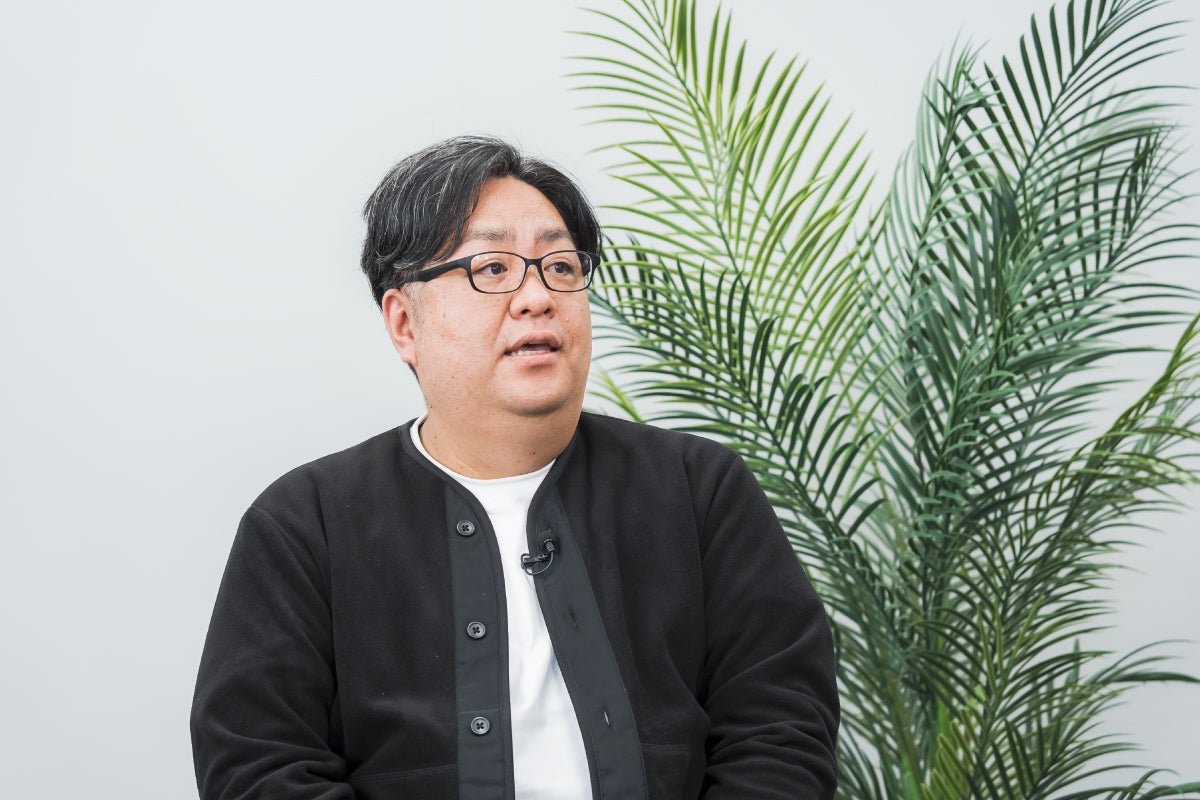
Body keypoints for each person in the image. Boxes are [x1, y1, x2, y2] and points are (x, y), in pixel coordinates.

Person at [190, 135, 839, 799]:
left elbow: (781, 733)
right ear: (404, 323)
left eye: (560, 266)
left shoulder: (698, 490)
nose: (537, 297)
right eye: (493, 268)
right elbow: (258, 768)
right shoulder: (307, 526)